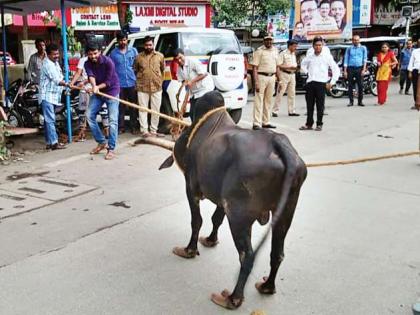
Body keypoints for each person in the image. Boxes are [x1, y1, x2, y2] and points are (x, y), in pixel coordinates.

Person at [84, 43, 120, 160]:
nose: (93, 56)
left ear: (100, 52)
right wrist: (94, 86)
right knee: (89, 115)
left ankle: (111, 148)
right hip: (98, 92)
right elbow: (91, 75)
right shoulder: (87, 63)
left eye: (95, 53)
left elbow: (109, 82)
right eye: (90, 54)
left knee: (113, 121)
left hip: (112, 91)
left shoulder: (108, 62)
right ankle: (101, 142)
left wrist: (97, 87)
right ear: (87, 54)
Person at [299, 36, 339, 131]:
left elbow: (336, 69)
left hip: (321, 83)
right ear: (313, 46)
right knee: (310, 105)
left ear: (323, 45)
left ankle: (319, 124)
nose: (318, 47)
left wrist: (332, 82)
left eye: (320, 45)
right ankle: (309, 124)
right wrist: (307, 72)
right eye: (316, 45)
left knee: (320, 105)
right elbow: (303, 64)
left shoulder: (327, 57)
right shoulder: (310, 56)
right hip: (310, 83)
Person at [134, 36, 165, 137]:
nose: (148, 47)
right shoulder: (138, 57)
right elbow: (136, 69)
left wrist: (159, 81)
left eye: (150, 45)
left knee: (155, 110)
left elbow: (162, 69)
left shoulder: (160, 56)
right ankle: (144, 131)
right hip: (142, 87)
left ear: (153, 45)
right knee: (143, 110)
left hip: (157, 87)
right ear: (144, 45)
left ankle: (153, 131)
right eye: (146, 45)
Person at [38, 43, 68, 150]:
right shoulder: (47, 64)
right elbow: (57, 80)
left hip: (54, 96)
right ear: (48, 55)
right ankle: (54, 143)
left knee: (48, 121)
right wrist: (67, 84)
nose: (57, 56)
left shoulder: (55, 63)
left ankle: (49, 142)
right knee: (50, 120)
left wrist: (67, 82)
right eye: (54, 54)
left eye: (57, 53)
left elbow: (61, 76)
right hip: (47, 96)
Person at [109, 31, 139, 134]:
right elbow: (111, 69)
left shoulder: (133, 51)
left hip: (132, 82)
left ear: (127, 40)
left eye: (125, 40)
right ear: (118, 41)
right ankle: (121, 127)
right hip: (119, 84)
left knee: (133, 106)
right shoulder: (113, 54)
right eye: (121, 40)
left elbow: (137, 66)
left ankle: (133, 127)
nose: (123, 42)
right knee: (120, 106)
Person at [173, 48, 214, 121]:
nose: (179, 61)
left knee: (201, 113)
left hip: (204, 90)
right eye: (177, 59)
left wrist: (192, 81)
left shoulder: (192, 61)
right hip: (194, 92)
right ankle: (196, 130)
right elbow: (183, 82)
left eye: (180, 58)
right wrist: (184, 103)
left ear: (184, 55)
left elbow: (203, 74)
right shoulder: (179, 68)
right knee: (192, 114)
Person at [252, 34, 279, 130]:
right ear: (264, 41)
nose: (269, 42)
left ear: (272, 41)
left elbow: (277, 66)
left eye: (270, 40)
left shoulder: (275, 51)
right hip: (261, 77)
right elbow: (254, 67)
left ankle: (266, 121)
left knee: (268, 100)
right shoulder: (259, 51)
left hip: (272, 77)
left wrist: (278, 79)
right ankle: (256, 123)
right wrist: (256, 82)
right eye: (267, 40)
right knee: (259, 100)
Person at [272, 39, 299, 117]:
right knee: (280, 93)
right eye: (294, 46)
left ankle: (291, 111)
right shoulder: (283, 54)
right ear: (290, 46)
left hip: (292, 74)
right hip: (284, 74)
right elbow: (279, 65)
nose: (295, 48)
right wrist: (289, 67)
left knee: (292, 93)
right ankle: (275, 111)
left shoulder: (294, 54)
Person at [343, 34, 368, 107]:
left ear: (359, 40)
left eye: (357, 40)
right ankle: (351, 101)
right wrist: (345, 71)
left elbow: (365, 59)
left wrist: (363, 69)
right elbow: (346, 59)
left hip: (359, 68)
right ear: (352, 41)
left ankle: (360, 101)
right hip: (350, 68)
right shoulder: (349, 49)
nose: (356, 41)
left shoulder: (363, 48)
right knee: (350, 85)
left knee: (360, 85)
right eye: (354, 40)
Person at [408, 41, 420, 110]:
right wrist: (410, 72)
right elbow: (411, 62)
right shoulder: (415, 51)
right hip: (415, 71)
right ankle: (416, 103)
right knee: (415, 87)